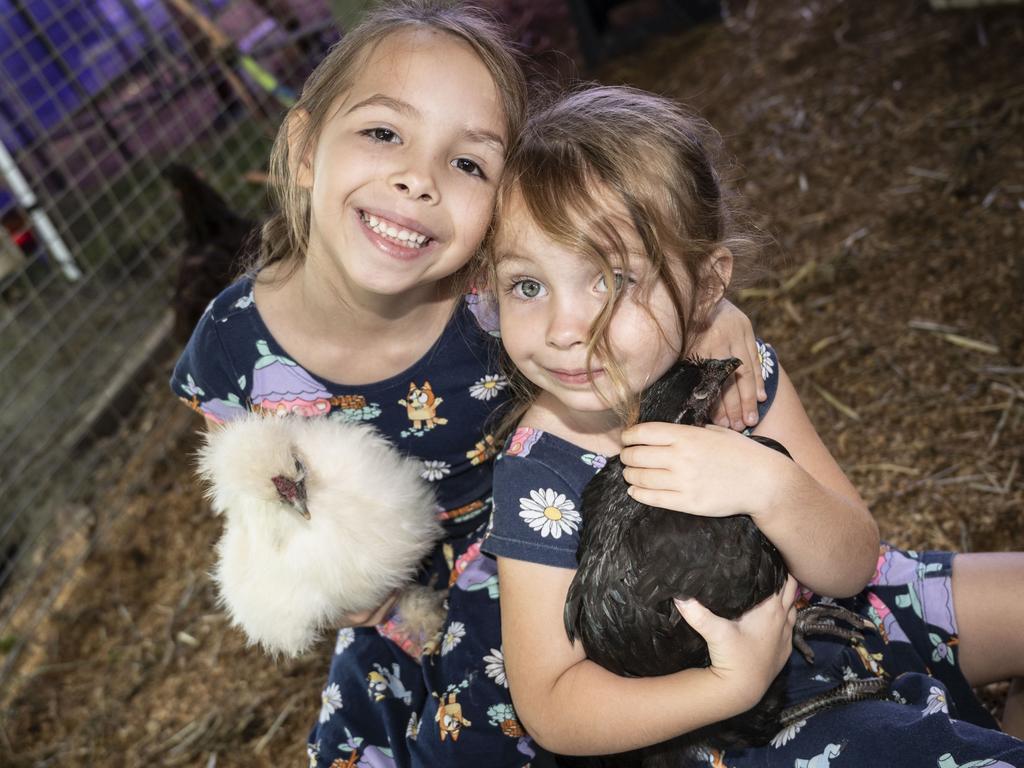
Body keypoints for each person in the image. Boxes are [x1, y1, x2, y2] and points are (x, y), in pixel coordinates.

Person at [169, 4, 764, 766]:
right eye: (384, 132)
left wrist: (715, 318)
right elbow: (253, 490)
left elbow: (623, 290)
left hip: (547, 556)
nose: (417, 180)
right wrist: (322, 574)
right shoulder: (229, 344)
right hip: (403, 604)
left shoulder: (494, 296)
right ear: (306, 147)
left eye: (468, 163)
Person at [480, 84, 1024, 765]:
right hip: (722, 719)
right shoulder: (540, 465)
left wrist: (771, 485)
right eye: (527, 286)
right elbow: (554, 704)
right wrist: (728, 687)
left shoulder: (736, 381)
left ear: (708, 288)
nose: (564, 331)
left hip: (842, 615)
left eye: (612, 281)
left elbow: (853, 562)